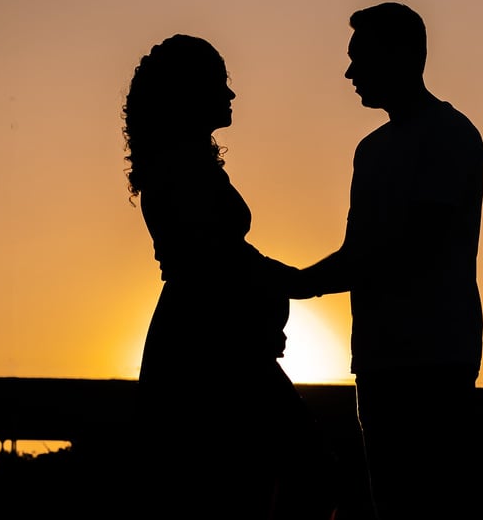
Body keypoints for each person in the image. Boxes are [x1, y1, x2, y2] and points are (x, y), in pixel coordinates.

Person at [121, 33, 337, 518]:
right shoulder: (179, 171)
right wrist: (301, 284)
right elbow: (220, 263)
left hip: (219, 341)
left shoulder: (188, 166)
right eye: (221, 82)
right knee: (287, 471)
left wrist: (283, 297)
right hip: (208, 344)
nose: (231, 94)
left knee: (246, 481)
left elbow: (232, 258)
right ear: (191, 93)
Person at [291, 2, 483, 519]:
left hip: (435, 354)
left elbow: (410, 244)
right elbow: (363, 250)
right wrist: (302, 282)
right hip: (379, 356)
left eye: (360, 56)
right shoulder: (370, 150)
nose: (349, 72)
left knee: (431, 506)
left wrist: (299, 284)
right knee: (393, 504)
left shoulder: (450, 135)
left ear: (402, 55)